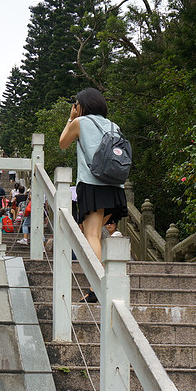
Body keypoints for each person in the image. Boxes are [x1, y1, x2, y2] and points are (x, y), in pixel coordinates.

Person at [59, 87, 129, 302]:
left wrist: (70, 119)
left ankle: (95, 287)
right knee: (94, 233)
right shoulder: (113, 125)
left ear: (82, 105)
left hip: (92, 183)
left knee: (92, 235)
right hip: (115, 186)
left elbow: (62, 143)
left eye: (76, 104)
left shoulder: (80, 123)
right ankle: (103, 279)